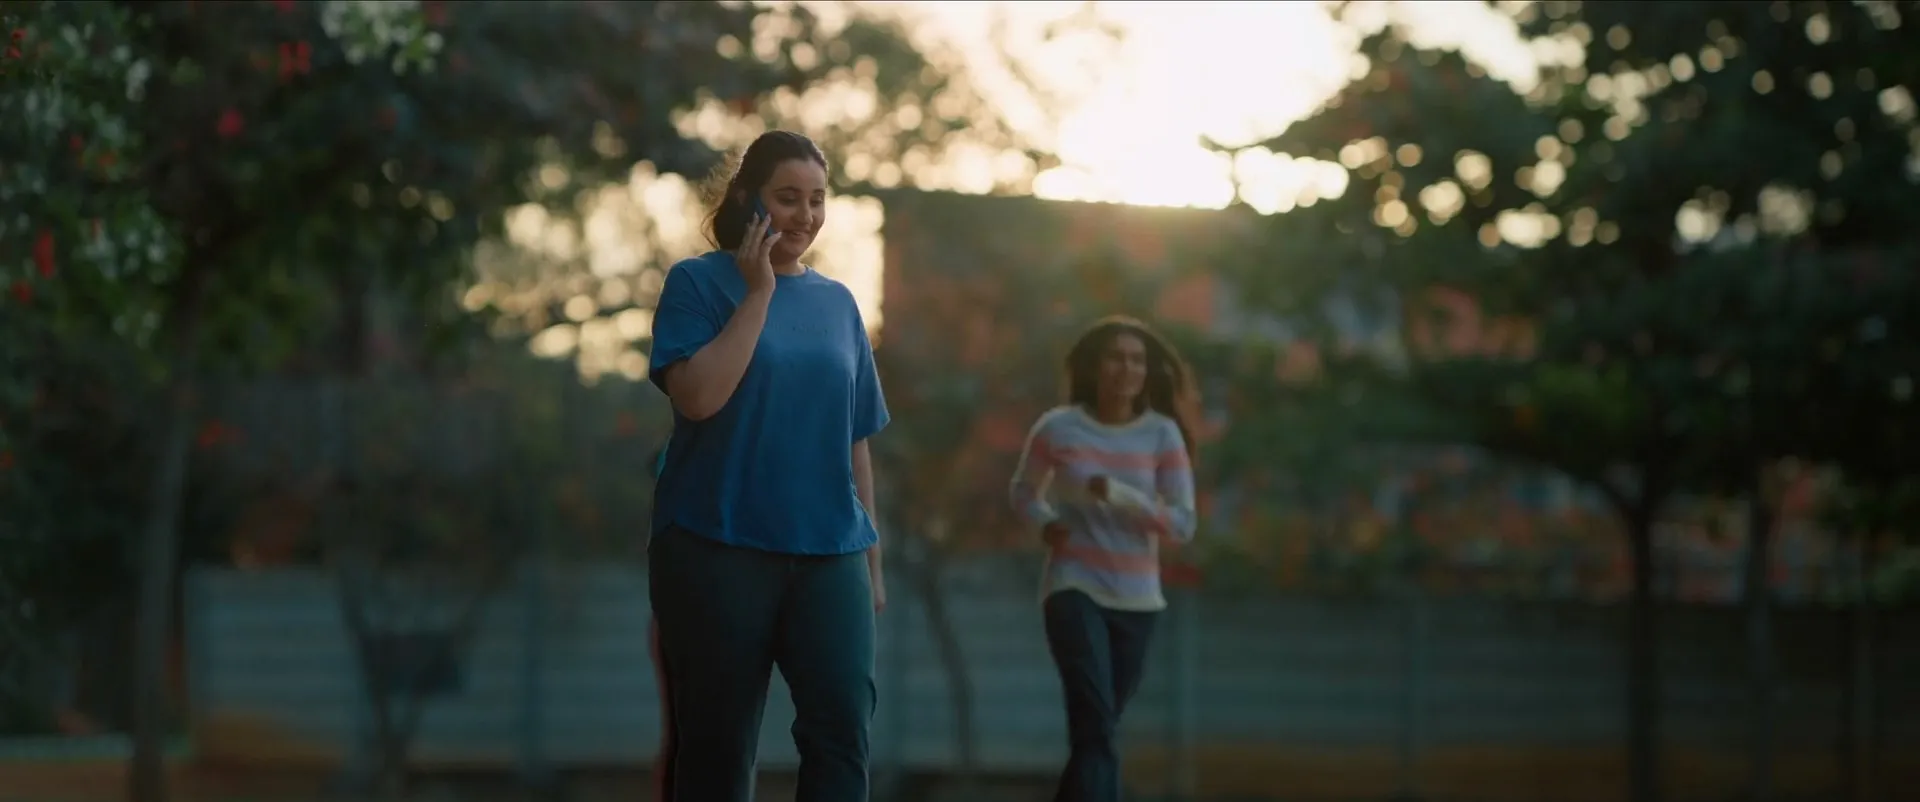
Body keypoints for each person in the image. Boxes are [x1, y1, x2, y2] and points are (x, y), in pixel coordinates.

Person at [646, 129, 889, 802]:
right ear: (747, 199)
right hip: (716, 547)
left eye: (818, 200)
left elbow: (855, 441)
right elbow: (699, 398)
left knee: (842, 736)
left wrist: (871, 564)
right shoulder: (697, 283)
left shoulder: (839, 305)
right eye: (788, 198)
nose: (805, 216)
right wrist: (758, 295)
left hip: (831, 552)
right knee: (718, 749)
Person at [1009, 315, 1200, 802]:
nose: (1126, 368)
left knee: (1096, 731)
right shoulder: (1058, 427)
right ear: (1094, 366)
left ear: (1147, 371)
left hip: (1138, 602)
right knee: (1095, 724)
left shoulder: (1162, 435)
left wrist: (1119, 494)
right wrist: (1046, 523)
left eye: (1137, 360)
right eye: (1115, 358)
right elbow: (1024, 491)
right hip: (1074, 588)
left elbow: (1182, 524)